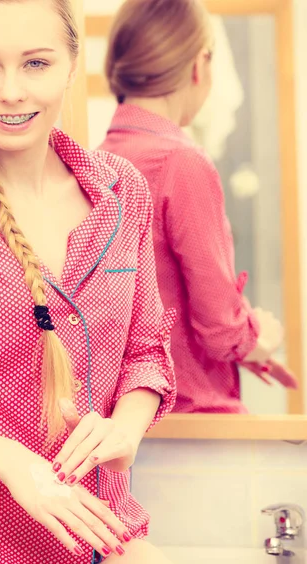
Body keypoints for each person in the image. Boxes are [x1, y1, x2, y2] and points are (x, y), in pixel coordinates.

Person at [0, 1, 198, 564]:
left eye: (35, 63)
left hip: (100, 536)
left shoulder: (123, 193)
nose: (11, 91)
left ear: (71, 64)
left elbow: (146, 350)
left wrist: (127, 427)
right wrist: (13, 463)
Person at [100, 0, 297, 415]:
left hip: (128, 420)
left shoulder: (95, 162)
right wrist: (262, 334)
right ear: (199, 64)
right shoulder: (181, 163)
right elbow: (221, 330)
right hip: (195, 417)